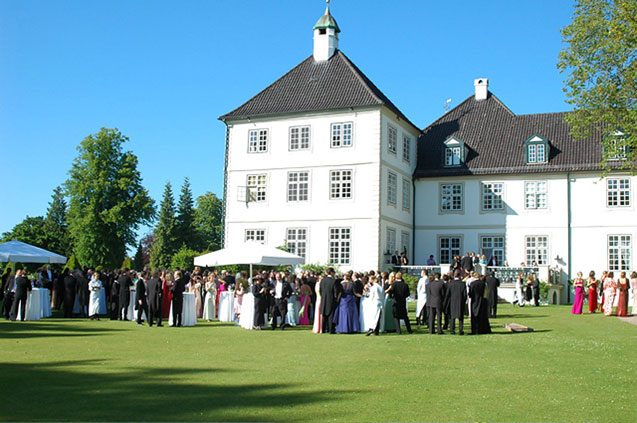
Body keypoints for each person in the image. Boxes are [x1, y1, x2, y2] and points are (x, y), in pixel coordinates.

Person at [446, 271, 467, 335]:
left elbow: (448, 294)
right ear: (459, 275)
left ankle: (452, 330)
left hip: (452, 301)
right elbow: (465, 295)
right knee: (461, 317)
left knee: (452, 317)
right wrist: (463, 301)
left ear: (454, 276)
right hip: (460, 301)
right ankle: (461, 330)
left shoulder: (450, 283)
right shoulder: (462, 284)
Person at [319, 268, 338, 334]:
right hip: (331, 299)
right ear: (331, 272)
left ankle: (323, 329)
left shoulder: (322, 280)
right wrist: (335, 299)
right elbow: (335, 292)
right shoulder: (333, 281)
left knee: (324, 315)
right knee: (330, 314)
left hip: (324, 299)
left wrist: (323, 296)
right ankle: (330, 329)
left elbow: (320, 290)